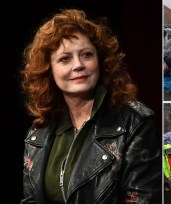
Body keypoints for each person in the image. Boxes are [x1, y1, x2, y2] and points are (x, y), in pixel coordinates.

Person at [20, 9, 161, 204]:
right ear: (49, 71)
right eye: (65, 59)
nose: (78, 65)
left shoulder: (134, 122)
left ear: (101, 62)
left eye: (86, 55)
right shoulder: (38, 132)